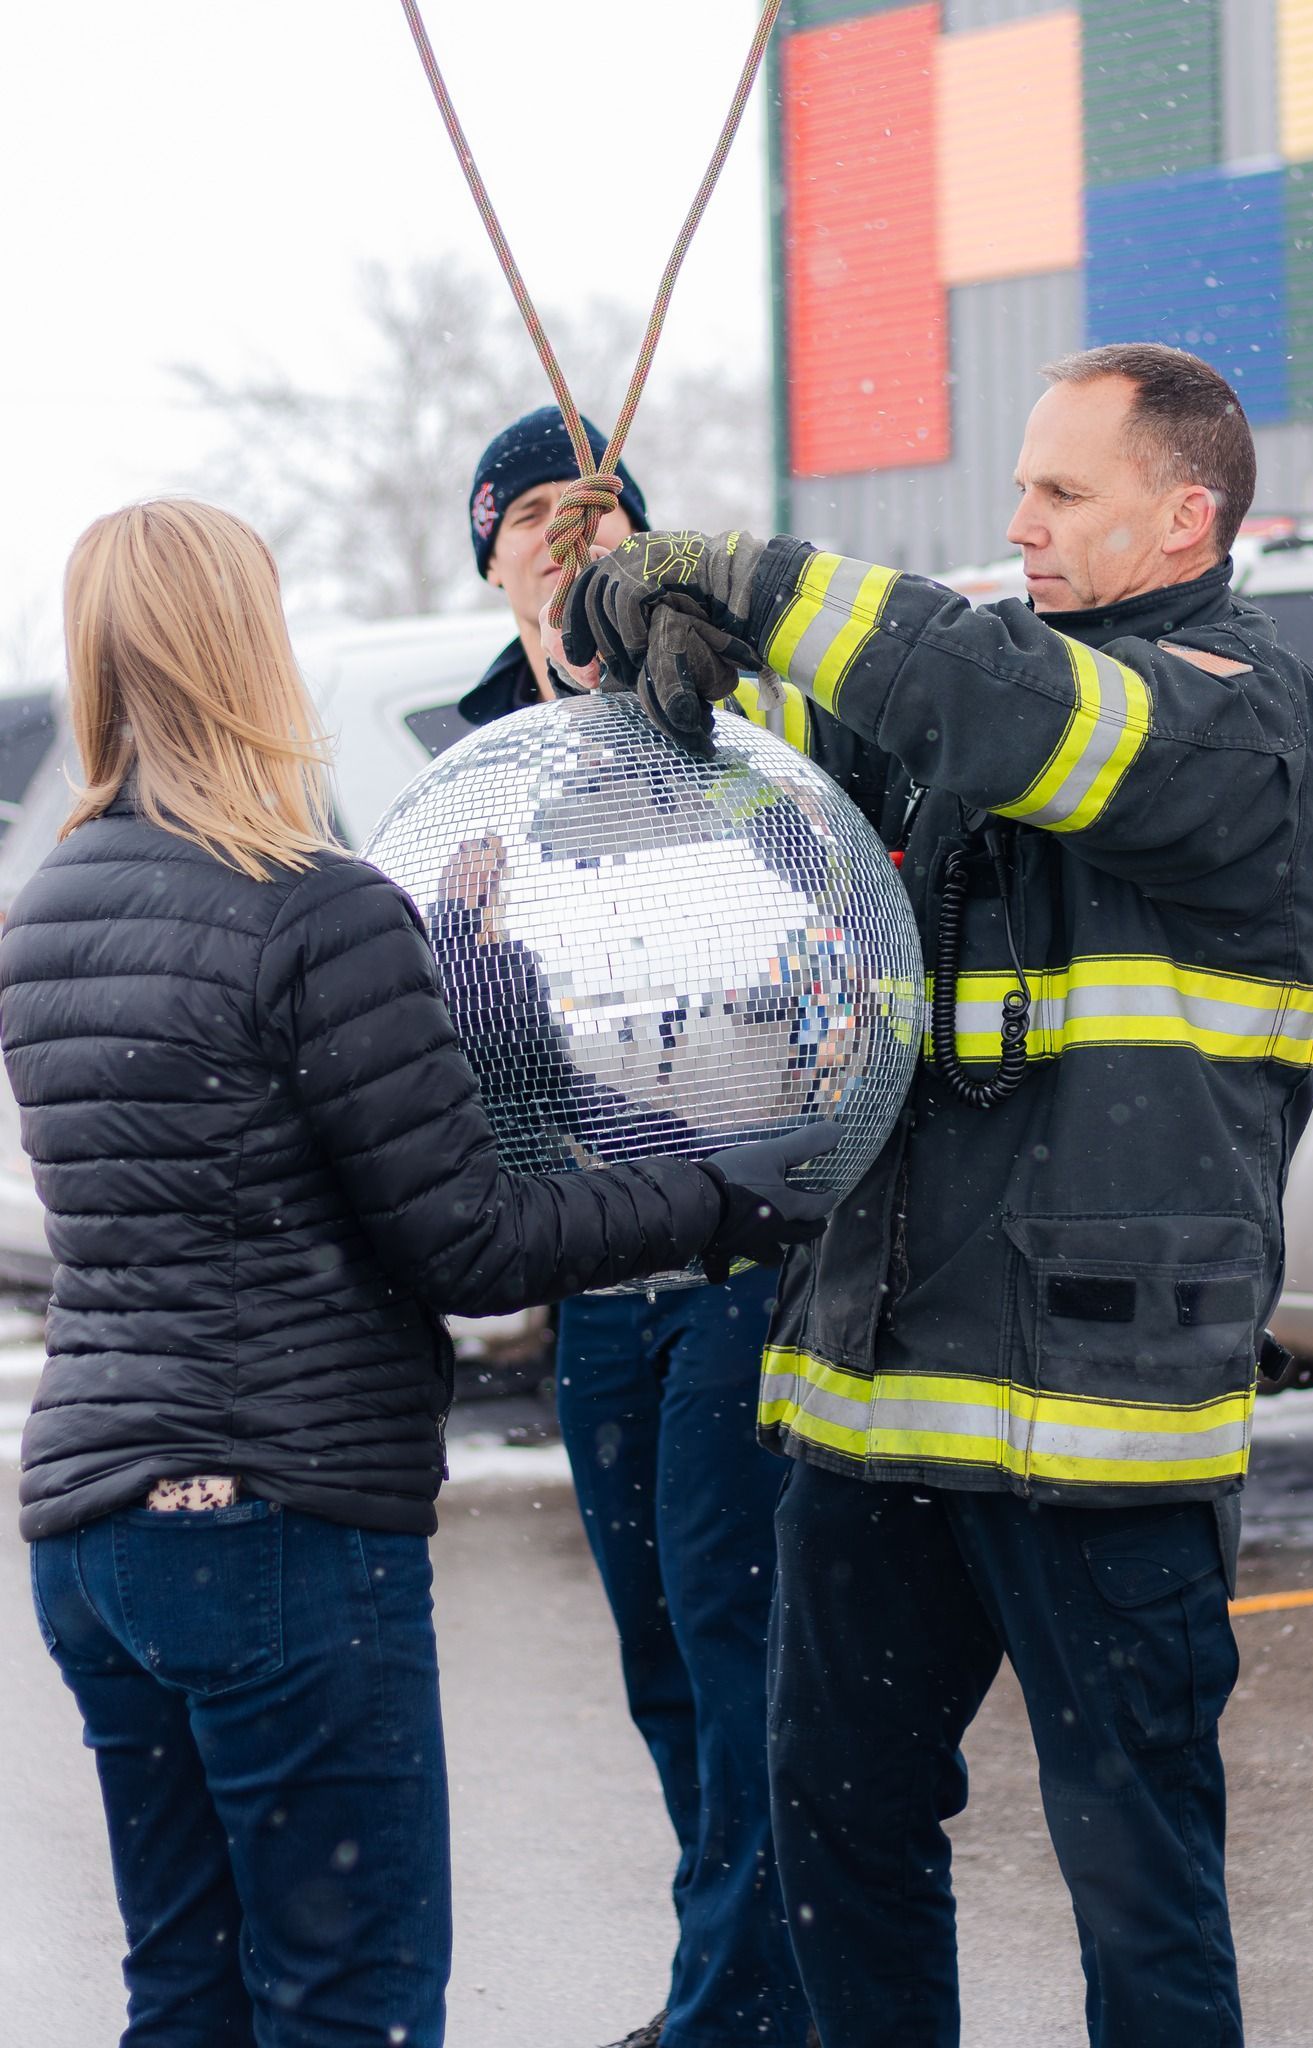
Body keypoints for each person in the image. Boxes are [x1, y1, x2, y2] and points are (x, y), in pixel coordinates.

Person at [561, 344, 1313, 2048]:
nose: (1022, 523)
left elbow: (1000, 711)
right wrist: (646, 640)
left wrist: (758, 577)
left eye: (1061, 493)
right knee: (829, 1833)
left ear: (1185, 515)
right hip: (878, 1403)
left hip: (1100, 1424)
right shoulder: (977, 711)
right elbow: (797, 752)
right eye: (1019, 488)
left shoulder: (1236, 719)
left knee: (1140, 1891)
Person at [1, 497, 836, 2048]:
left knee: (184, 1992)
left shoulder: (45, 913)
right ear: (249, 652)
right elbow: (467, 1241)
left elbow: (206, 1172)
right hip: (278, 1521)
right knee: (351, 2005)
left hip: (94, 1534)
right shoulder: (313, 907)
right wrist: (717, 1197)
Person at [459, 409, 814, 2048]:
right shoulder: (469, 768)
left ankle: (735, 2002)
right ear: (489, 555)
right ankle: (741, 1976)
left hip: (739, 1246)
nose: (559, 535)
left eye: (588, 509)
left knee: (737, 1629)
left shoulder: (720, 713)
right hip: (589, 1266)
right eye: (527, 512)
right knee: (658, 1649)